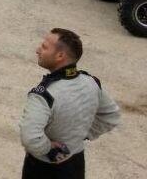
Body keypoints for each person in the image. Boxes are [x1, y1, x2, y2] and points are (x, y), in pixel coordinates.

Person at [20, 28, 120, 178]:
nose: (37, 50)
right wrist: (79, 136)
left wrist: (49, 149)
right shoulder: (91, 83)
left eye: (45, 47)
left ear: (60, 55)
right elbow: (111, 116)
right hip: (76, 163)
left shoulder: (44, 95)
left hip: (44, 168)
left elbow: (30, 137)